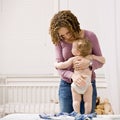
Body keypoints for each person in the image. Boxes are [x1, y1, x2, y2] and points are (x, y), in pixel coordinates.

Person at [49, 10, 104, 114]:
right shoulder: (59, 41)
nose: (66, 37)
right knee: (66, 117)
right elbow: (59, 67)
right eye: (62, 35)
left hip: (87, 83)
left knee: (87, 116)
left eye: (68, 32)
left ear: (74, 25)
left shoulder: (90, 36)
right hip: (66, 85)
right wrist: (72, 75)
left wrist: (89, 64)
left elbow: (100, 60)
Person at [54, 38, 105, 114]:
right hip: (87, 84)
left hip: (76, 84)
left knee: (76, 101)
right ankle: (87, 114)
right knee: (88, 101)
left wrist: (56, 64)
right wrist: (93, 58)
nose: (71, 48)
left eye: (73, 47)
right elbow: (103, 60)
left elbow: (63, 65)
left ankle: (77, 113)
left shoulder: (74, 59)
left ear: (77, 51)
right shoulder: (89, 57)